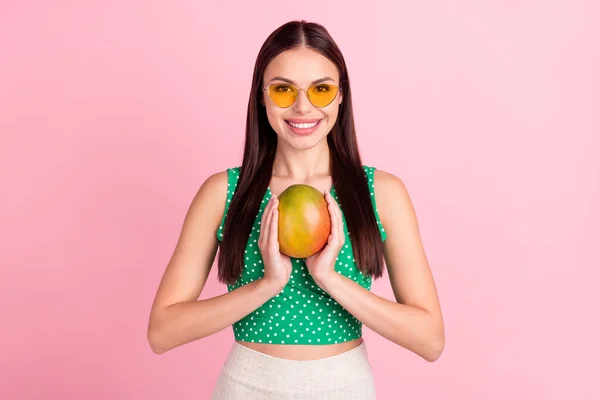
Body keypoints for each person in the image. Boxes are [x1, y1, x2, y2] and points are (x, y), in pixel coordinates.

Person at [147, 20, 445, 399]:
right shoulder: (224, 193)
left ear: (341, 96)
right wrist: (267, 285)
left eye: (321, 89)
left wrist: (331, 279)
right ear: (262, 96)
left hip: (345, 388)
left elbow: (430, 340)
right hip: (245, 388)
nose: (303, 106)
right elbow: (162, 332)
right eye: (284, 89)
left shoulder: (380, 193)